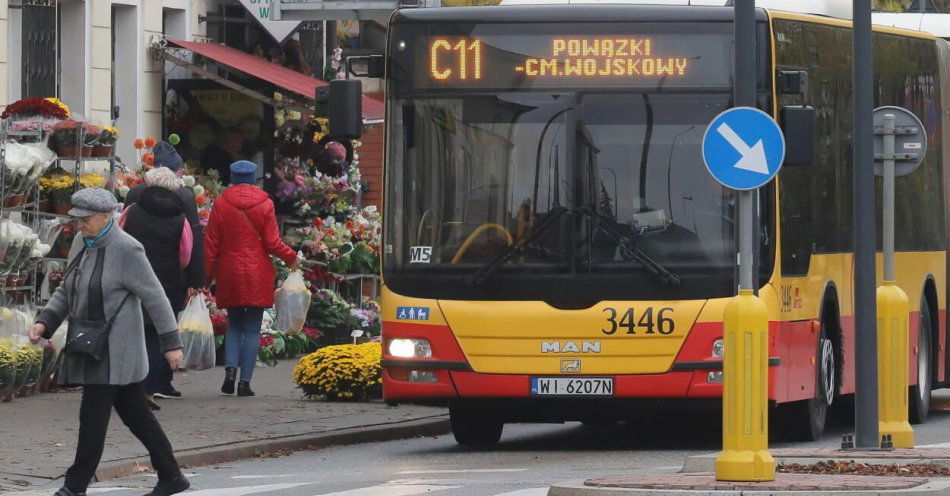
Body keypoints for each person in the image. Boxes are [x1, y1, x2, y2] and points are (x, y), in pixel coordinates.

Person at [30, 188, 190, 496]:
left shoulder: (128, 249)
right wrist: (44, 322)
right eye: (76, 220)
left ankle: (74, 486)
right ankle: (171, 476)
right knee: (137, 416)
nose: (79, 226)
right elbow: (67, 289)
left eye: (85, 220)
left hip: (116, 350)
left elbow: (155, 297)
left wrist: (171, 343)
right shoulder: (81, 242)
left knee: (92, 418)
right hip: (91, 345)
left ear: (106, 216)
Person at [204, 161, 300, 397]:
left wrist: (204, 279)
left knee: (234, 325)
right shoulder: (265, 203)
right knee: (253, 329)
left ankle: (229, 372)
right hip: (257, 271)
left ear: (233, 178)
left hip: (229, 271)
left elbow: (211, 245)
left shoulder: (221, 203)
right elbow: (272, 242)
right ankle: (244, 383)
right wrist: (291, 257)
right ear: (254, 179)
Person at [125, 141, 205, 399]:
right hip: (170, 275)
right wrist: (195, 277)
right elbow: (189, 244)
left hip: (136, 273)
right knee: (165, 325)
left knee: (142, 326)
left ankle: (139, 381)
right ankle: (161, 382)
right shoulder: (183, 202)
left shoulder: (134, 199)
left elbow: (121, 233)